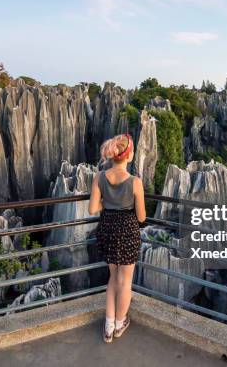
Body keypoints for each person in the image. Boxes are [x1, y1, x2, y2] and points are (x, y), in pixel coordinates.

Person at [88, 133, 146, 343]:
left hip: (107, 229)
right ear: (129, 156)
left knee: (113, 278)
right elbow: (141, 217)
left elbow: (93, 208)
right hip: (127, 231)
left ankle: (108, 327)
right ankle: (120, 323)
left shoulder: (100, 177)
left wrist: (109, 205)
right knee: (125, 282)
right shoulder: (135, 182)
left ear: (113, 154)